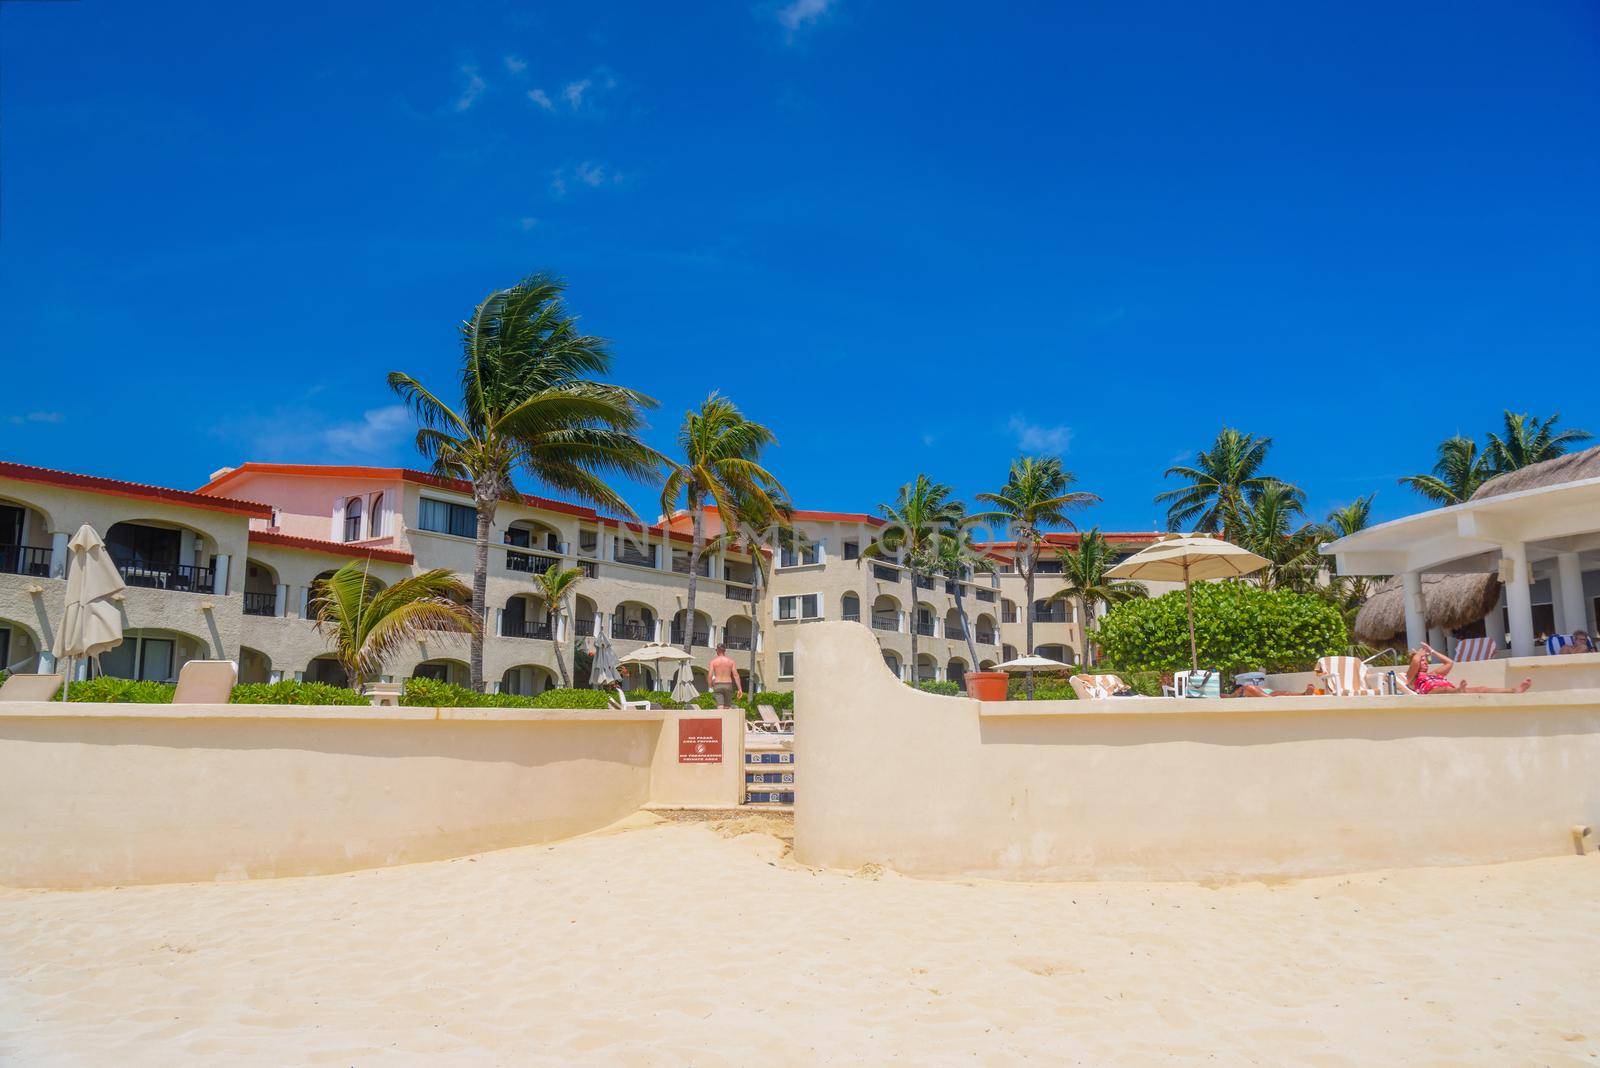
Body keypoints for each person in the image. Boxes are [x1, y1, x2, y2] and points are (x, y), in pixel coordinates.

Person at [1407, 642, 1531, 694]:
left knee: (1481, 688)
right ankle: (1458, 691)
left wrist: (1432, 651)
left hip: (1453, 690)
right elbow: (1415, 661)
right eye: (1423, 661)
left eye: (1426, 661)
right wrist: (1419, 654)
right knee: (1444, 689)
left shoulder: (1433, 673)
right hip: (1433, 692)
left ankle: (1514, 690)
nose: (1425, 663)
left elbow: (1449, 663)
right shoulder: (1412, 677)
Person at [707, 643, 743, 708]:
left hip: (717, 684)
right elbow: (736, 675)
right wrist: (739, 689)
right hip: (728, 684)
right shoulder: (731, 661)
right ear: (725, 650)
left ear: (717, 650)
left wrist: (710, 686)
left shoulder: (713, 662)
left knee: (720, 706)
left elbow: (710, 675)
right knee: (727, 707)